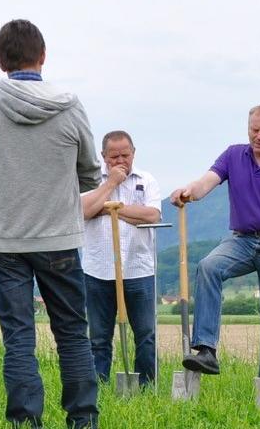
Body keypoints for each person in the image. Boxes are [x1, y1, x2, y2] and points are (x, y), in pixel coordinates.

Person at [0, 19, 101, 428]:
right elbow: (91, 173)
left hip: (5, 239)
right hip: (59, 235)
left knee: (19, 337)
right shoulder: (71, 104)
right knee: (73, 334)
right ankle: (83, 419)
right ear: (43, 56)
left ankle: (25, 421)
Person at [169, 103, 260, 381]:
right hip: (242, 240)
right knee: (208, 267)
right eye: (254, 130)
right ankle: (207, 350)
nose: (258, 136)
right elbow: (205, 183)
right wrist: (188, 191)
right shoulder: (233, 155)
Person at [81, 131, 162, 387]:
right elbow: (83, 211)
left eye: (125, 155)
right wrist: (111, 185)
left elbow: (151, 215)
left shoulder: (146, 180)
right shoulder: (91, 180)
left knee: (146, 334)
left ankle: (147, 386)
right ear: (103, 157)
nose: (120, 161)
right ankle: (98, 386)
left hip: (138, 268)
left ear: (133, 153)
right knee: (99, 337)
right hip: (98, 270)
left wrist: (113, 210)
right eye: (114, 156)